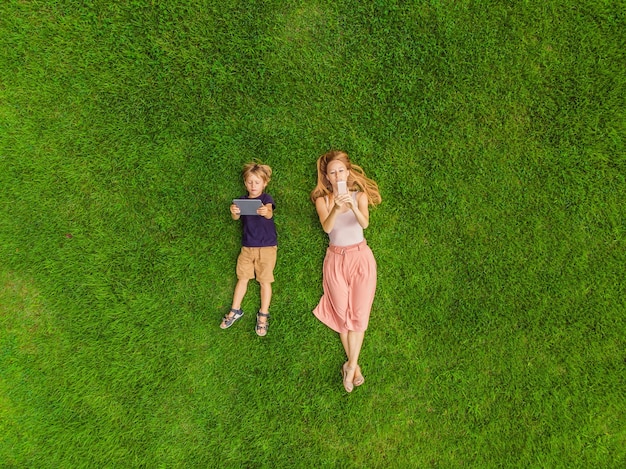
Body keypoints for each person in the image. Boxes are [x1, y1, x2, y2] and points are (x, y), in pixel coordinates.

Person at [310, 150, 381, 392]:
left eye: (341, 170)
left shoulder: (359, 196)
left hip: (360, 257)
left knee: (359, 314)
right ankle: (354, 365)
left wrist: (352, 206)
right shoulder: (323, 200)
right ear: (327, 177)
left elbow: (365, 224)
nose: (337, 174)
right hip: (335, 260)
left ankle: (350, 366)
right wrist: (337, 210)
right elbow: (327, 227)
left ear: (347, 173)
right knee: (342, 315)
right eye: (332, 172)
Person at [220, 162, 277, 337]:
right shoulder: (242, 201)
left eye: (257, 182)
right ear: (245, 183)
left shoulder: (266, 200)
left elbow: (269, 213)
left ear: (264, 183)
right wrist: (234, 211)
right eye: (250, 182)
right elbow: (236, 217)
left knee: (264, 280)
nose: (253, 186)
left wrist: (264, 212)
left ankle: (263, 314)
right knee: (242, 278)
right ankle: (235, 310)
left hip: (267, 247)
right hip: (247, 247)